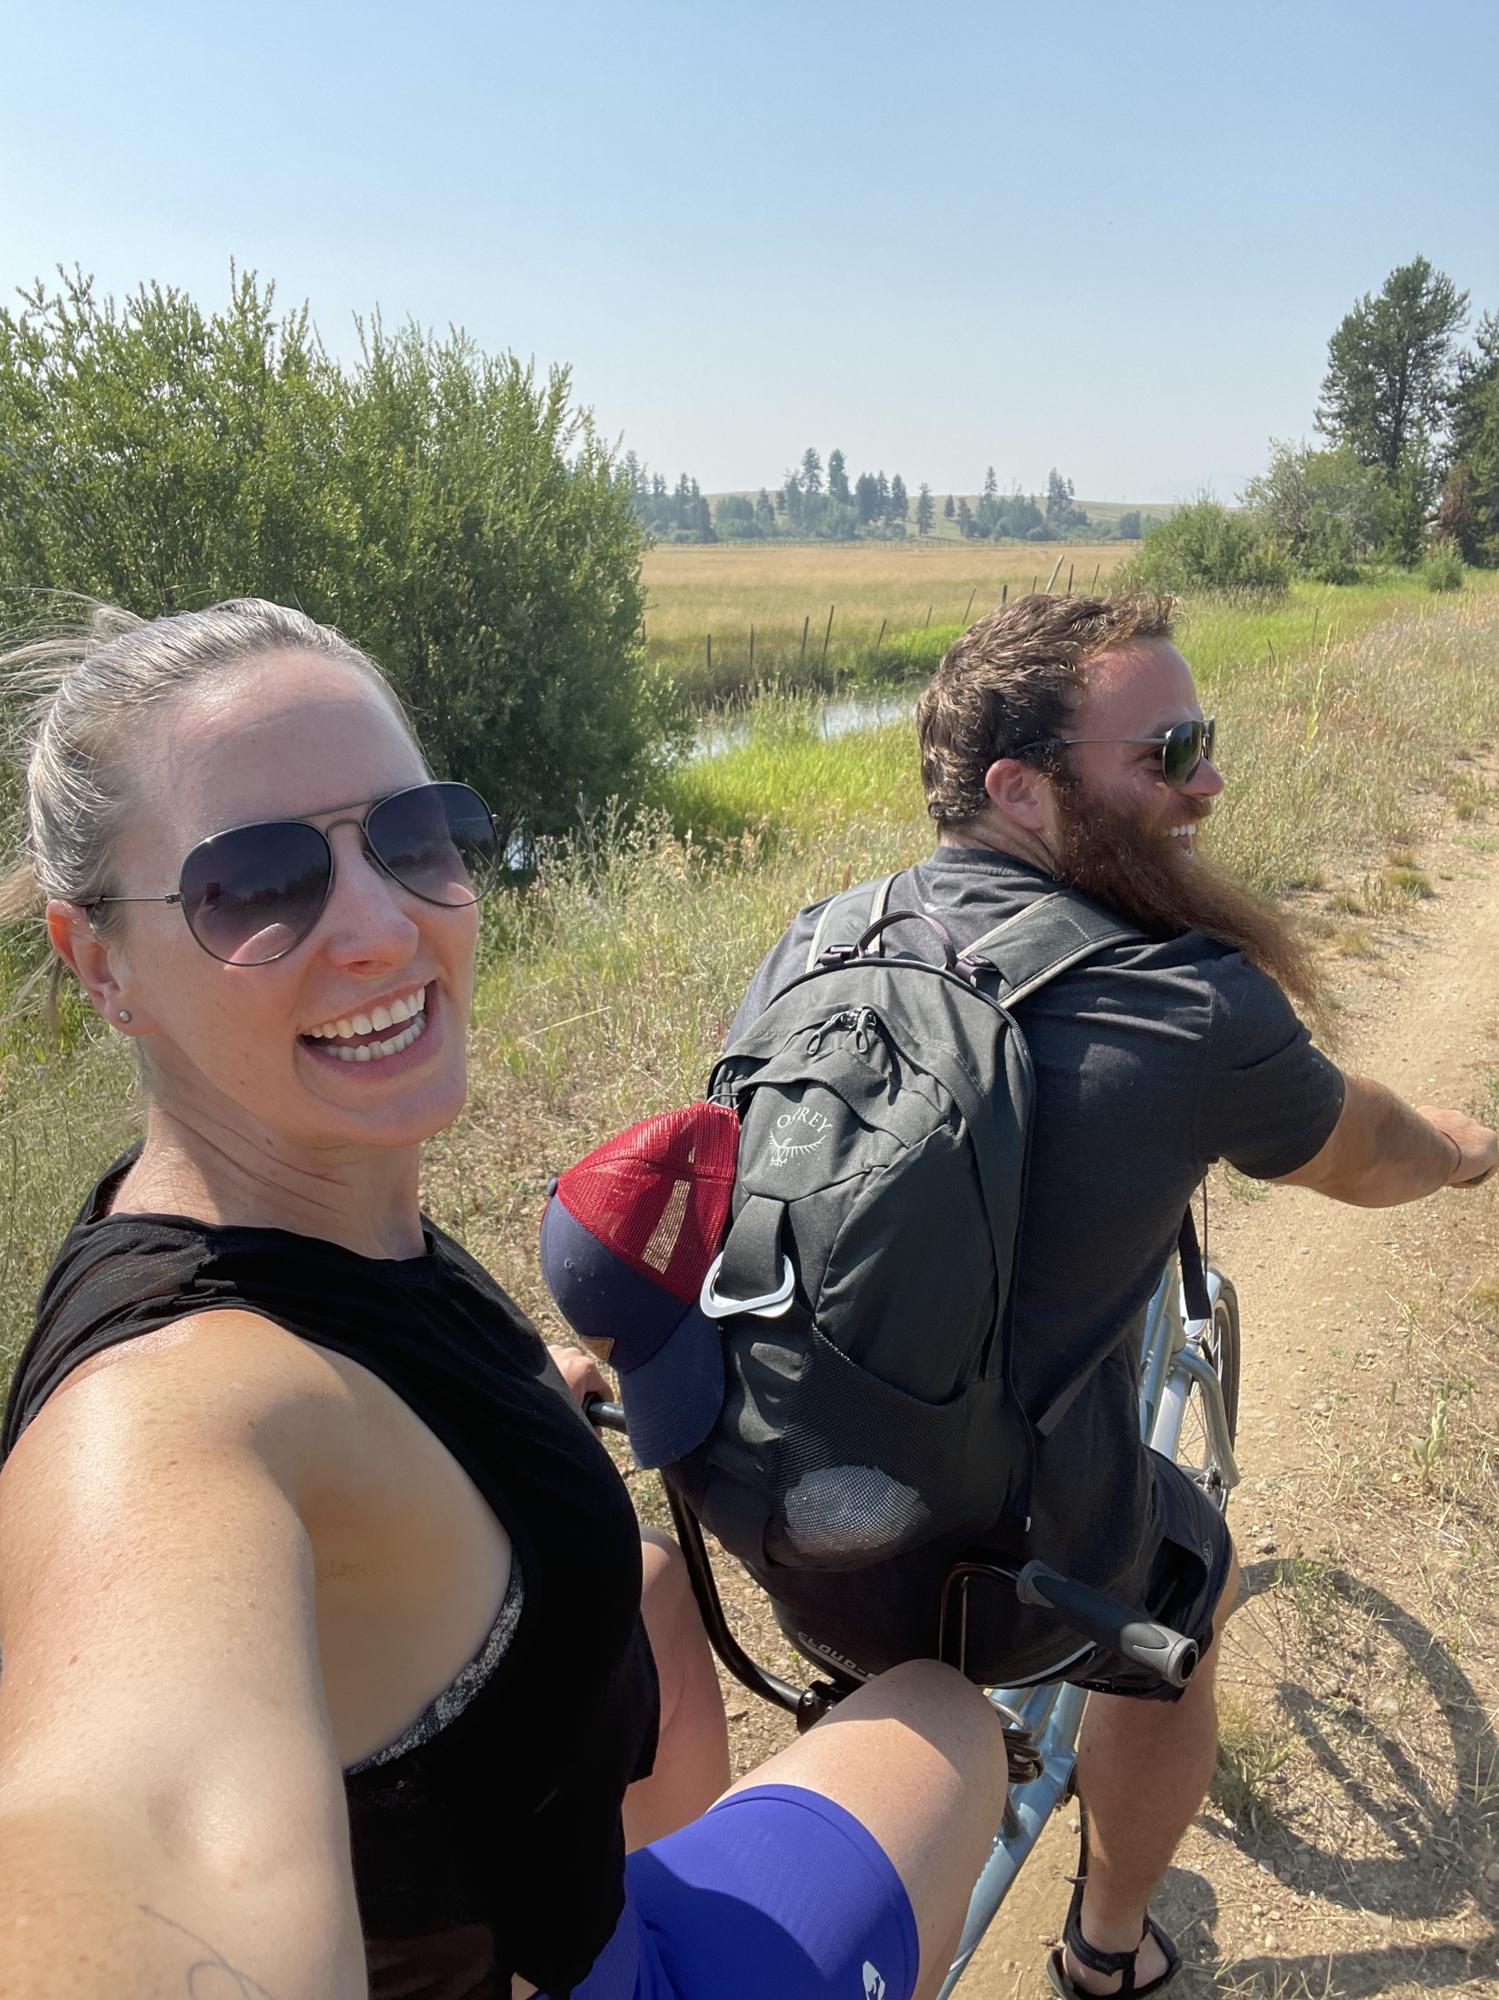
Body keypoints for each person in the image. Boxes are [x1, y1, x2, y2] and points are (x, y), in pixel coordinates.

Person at [0, 599, 1008, 2000]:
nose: (378, 927)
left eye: (411, 839)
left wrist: (526, 1377)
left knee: (651, 1591)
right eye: (254, 885)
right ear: (100, 960)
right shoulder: (166, 1429)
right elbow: (146, 1820)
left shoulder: (286, 1208)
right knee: (951, 1721)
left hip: (552, 1897)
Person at [727, 590, 1497, 2000]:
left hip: (775, 1521)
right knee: (1189, 1595)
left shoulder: (816, 940)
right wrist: (1462, 1150)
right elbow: (1370, 1150)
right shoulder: (1188, 1001)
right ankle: (1110, 1946)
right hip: (997, 1575)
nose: (1209, 781)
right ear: (1021, 791)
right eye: (1171, 752)